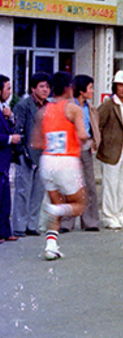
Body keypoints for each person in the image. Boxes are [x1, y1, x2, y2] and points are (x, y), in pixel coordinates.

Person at [32, 71, 89, 260]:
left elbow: (36, 143)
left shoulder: (43, 111)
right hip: (67, 160)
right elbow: (82, 134)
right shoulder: (73, 109)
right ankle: (54, 213)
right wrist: (84, 142)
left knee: (56, 202)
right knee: (80, 204)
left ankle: (50, 246)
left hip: (47, 160)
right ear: (68, 88)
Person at [59, 75, 100, 232]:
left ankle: (90, 221)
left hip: (85, 149)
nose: (92, 91)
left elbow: (94, 128)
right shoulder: (67, 106)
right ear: (81, 90)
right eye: (90, 88)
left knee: (89, 185)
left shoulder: (90, 108)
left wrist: (94, 142)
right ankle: (66, 222)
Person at [12, 72, 50, 237]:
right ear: (33, 88)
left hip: (44, 153)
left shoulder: (49, 107)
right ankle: (19, 226)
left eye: (48, 87)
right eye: (41, 86)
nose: (45, 90)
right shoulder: (23, 106)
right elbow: (18, 129)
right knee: (23, 190)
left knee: (38, 191)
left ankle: (31, 225)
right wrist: (22, 152)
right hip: (26, 154)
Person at [96, 71, 123, 229]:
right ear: (115, 86)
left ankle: (119, 213)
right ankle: (109, 216)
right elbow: (97, 125)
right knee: (110, 184)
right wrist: (101, 144)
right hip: (111, 150)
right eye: (121, 85)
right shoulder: (108, 105)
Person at [0, 75, 21, 243]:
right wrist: (9, 139)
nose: (10, 92)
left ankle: (5, 231)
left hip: (5, 161)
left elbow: (12, 127)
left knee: (5, 197)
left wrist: (11, 117)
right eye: (7, 88)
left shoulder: (4, 109)